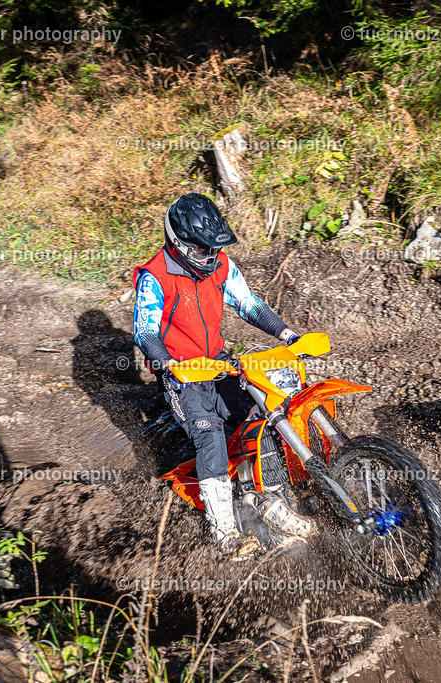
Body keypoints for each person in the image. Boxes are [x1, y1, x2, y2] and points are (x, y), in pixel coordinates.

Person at [132, 193, 302, 560]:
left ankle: (271, 500)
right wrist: (169, 364)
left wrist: (287, 335)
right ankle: (225, 531)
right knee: (210, 436)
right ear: (177, 244)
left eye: (213, 249)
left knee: (262, 418)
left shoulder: (222, 265)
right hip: (183, 374)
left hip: (220, 363)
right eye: (201, 251)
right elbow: (145, 332)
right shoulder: (155, 275)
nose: (209, 258)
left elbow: (249, 303)